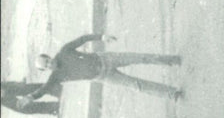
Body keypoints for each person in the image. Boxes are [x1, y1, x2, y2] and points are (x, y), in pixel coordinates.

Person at [27, 32, 181, 102]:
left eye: (46, 60)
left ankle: (172, 60)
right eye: (46, 66)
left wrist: (101, 37)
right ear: (46, 70)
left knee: (140, 57)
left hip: (107, 59)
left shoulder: (64, 51)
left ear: (48, 56)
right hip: (104, 77)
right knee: (136, 85)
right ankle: (171, 94)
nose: (49, 64)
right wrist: (31, 97)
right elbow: (44, 89)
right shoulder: (55, 77)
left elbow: (83, 39)